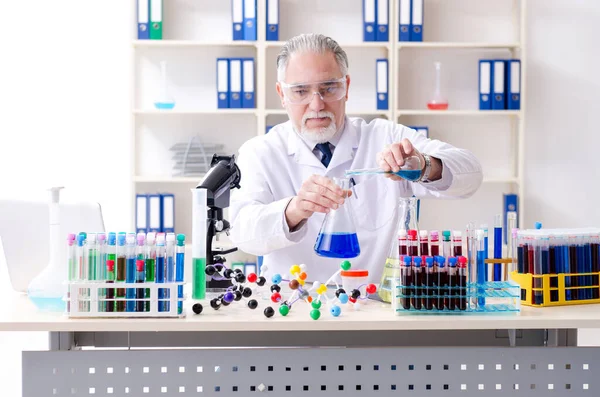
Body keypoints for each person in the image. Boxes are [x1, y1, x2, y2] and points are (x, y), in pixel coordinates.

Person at [230, 33, 482, 284]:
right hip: (293, 310)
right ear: (282, 94)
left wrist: (424, 166)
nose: (316, 104)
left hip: (372, 311)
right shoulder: (260, 152)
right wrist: (294, 210)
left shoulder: (386, 136)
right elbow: (242, 233)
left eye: (328, 88)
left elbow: (471, 175)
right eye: (300, 91)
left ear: (346, 87)